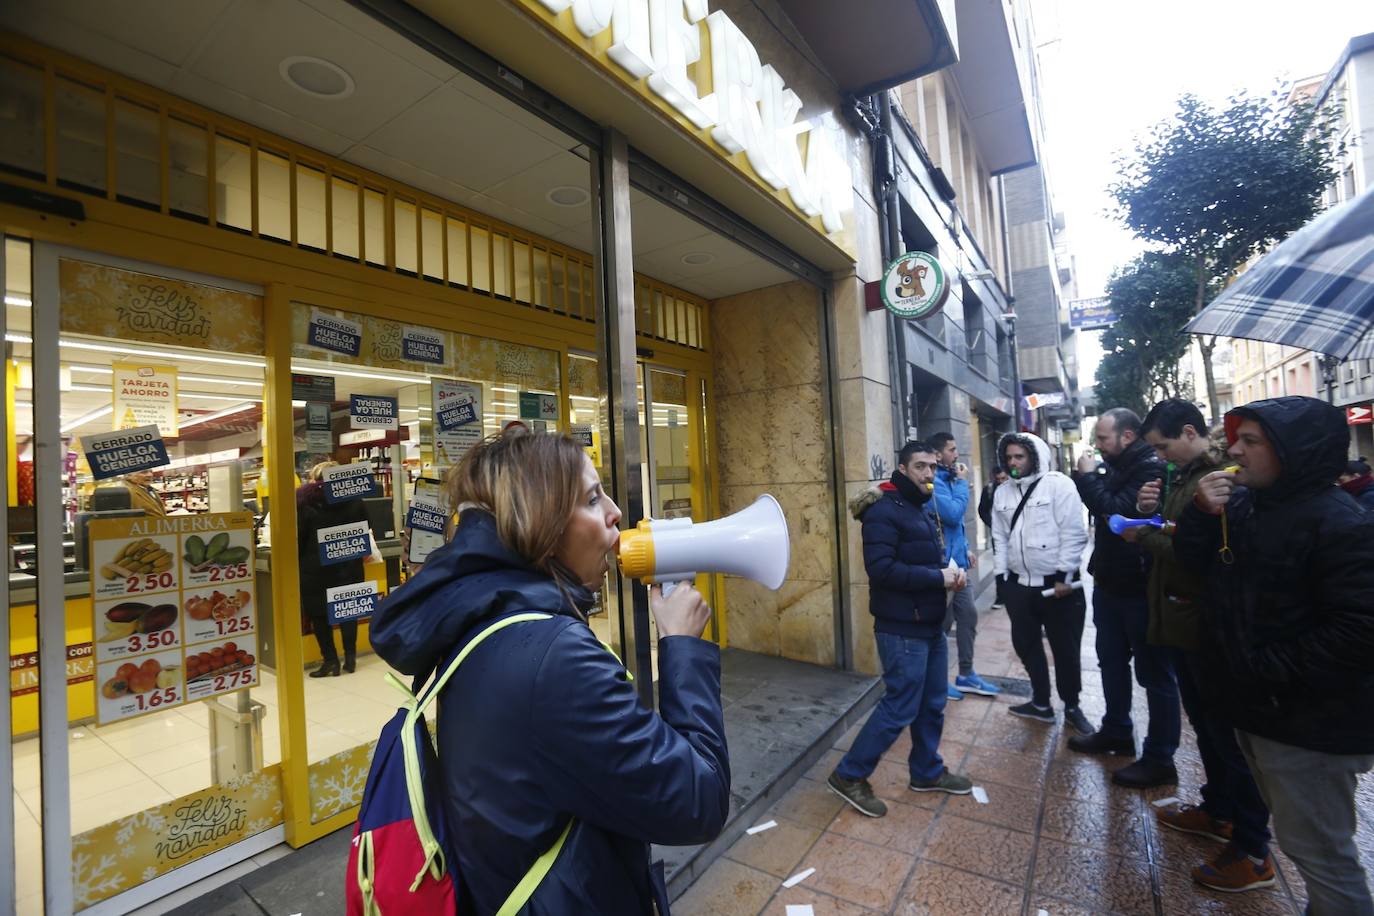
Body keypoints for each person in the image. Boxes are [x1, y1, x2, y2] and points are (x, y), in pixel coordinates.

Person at [370, 430, 728, 914]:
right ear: (541, 522)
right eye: (591, 497)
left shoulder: (488, 618)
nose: (614, 513)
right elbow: (698, 802)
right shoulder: (554, 657)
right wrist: (683, 647)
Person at [1177, 396, 1374, 914]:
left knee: (1323, 856)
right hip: (1260, 707)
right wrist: (1201, 514)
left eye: (1251, 442)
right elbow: (1197, 564)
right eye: (1237, 439)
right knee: (1300, 842)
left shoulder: (1341, 524)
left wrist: (1263, 670)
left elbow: (1359, 630)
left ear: (1294, 451)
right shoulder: (1248, 504)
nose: (1235, 451)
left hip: (1307, 722)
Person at [1129, 400, 1274, 892]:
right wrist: (1151, 515)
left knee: (1228, 737)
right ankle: (1218, 811)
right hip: (1186, 619)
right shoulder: (1189, 475)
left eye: (1164, 446)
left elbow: (1202, 551)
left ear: (1190, 432)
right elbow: (1182, 534)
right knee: (1209, 730)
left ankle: (1251, 845)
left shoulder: (1222, 481)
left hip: (1208, 622)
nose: (1162, 458)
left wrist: (1147, 534)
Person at [828, 440, 973, 818]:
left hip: (929, 624)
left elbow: (925, 558)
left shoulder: (918, 506)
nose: (929, 474)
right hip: (901, 628)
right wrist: (936, 577)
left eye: (932, 467)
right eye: (921, 466)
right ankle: (849, 775)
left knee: (933, 704)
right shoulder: (883, 511)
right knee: (899, 707)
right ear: (903, 468)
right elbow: (881, 570)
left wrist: (950, 573)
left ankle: (926, 772)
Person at [1071, 408, 1180, 788]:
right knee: (1111, 663)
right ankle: (1116, 730)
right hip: (1111, 584)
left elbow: (1116, 514)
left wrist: (1087, 478)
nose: (1098, 446)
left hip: (1142, 589)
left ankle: (1160, 756)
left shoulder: (1150, 469)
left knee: (1155, 675)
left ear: (1127, 436)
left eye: (1103, 439)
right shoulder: (1118, 466)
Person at [991, 431, 1092, 734]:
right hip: (1019, 586)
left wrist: (1065, 575)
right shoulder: (1002, 492)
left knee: (1066, 649)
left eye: (1019, 456)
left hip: (1059, 588)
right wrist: (1001, 578)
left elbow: (1074, 532)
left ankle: (1072, 706)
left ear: (1034, 457)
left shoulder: (1058, 485)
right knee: (1025, 644)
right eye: (1008, 457)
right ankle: (1040, 702)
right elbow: (999, 537)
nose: (1013, 462)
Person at [928, 432, 1000, 699]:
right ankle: (937, 680)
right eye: (951, 449)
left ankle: (966, 673)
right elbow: (952, 513)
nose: (956, 454)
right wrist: (961, 484)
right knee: (942, 625)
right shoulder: (931, 483)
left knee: (968, 616)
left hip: (959, 564)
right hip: (943, 569)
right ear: (938, 454)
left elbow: (954, 526)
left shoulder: (948, 479)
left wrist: (967, 548)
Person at [296, 461, 370, 677]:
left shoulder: (305, 503)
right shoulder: (356, 501)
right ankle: (350, 659)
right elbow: (366, 529)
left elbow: (300, 538)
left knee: (319, 616)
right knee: (349, 611)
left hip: (316, 568)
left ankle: (330, 661)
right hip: (348, 565)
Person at [978, 467, 1009, 609]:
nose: (1001, 482)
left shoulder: (1015, 488)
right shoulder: (989, 490)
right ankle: (1001, 596)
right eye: (998, 479)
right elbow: (982, 510)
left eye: (1004, 478)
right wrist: (993, 524)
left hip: (1017, 534)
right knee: (1000, 563)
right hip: (998, 535)